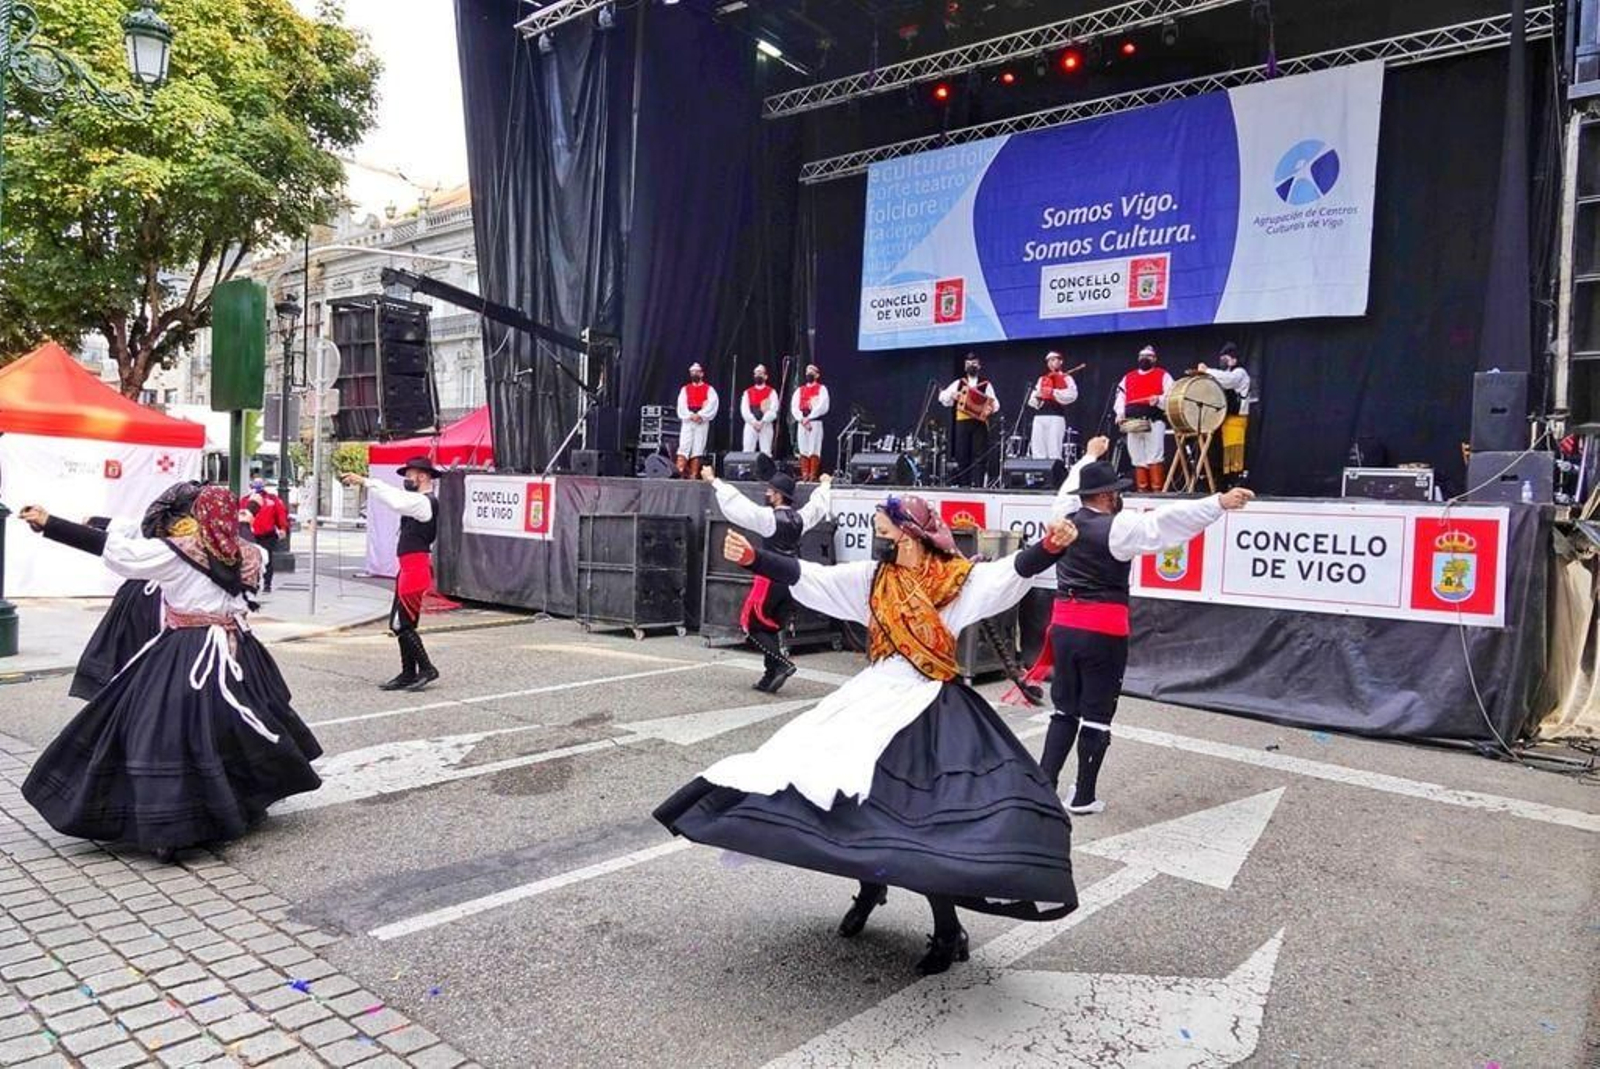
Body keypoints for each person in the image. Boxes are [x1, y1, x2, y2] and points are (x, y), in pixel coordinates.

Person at [656, 495, 1080, 976]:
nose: (877, 529)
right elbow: (809, 577)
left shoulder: (956, 581)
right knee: (841, 794)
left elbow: (1009, 574)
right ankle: (870, 888)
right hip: (874, 697)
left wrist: (1049, 547)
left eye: (884, 523)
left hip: (929, 705)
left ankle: (947, 930)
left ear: (906, 531)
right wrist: (757, 559)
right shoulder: (873, 580)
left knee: (923, 822)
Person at [17, 487, 321, 862]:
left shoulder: (179, 553)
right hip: (237, 649)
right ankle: (241, 802)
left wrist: (52, 524)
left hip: (187, 651)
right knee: (231, 728)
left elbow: (122, 552)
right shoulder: (254, 554)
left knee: (161, 732)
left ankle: (171, 827)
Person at [1035, 436, 1252, 815]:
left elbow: (1069, 487)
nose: (1120, 497)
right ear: (1105, 497)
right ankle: (1083, 796)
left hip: (1064, 628)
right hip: (1102, 630)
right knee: (1097, 715)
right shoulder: (1120, 528)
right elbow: (1167, 523)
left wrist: (1089, 455)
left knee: (1064, 708)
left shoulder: (1063, 517)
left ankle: (1043, 788)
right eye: (1116, 492)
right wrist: (1217, 502)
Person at [22, 481, 203, 700]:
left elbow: (118, 540)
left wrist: (51, 523)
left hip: (177, 621)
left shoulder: (194, 542)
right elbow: (118, 538)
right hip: (150, 610)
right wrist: (53, 524)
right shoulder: (170, 542)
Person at [702, 464, 834, 694]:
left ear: (778, 495)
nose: (767, 494)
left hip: (770, 578)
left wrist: (714, 481)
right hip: (792, 578)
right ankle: (770, 674)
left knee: (752, 624)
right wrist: (825, 484)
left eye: (770, 491)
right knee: (771, 625)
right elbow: (818, 505)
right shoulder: (801, 519)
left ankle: (781, 663)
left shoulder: (769, 519)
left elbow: (740, 506)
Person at [341, 457, 443, 692]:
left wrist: (366, 482)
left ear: (424, 476)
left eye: (411, 474)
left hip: (415, 569)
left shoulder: (424, 503)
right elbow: (398, 499)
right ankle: (408, 672)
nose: (407, 479)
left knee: (402, 624)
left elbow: (396, 502)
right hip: (408, 568)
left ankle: (426, 668)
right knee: (400, 623)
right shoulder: (418, 501)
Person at [1114, 345, 1173, 493]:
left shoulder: (1163, 375)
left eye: (1148, 356)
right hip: (1133, 422)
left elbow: (1171, 395)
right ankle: (1142, 490)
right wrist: (1120, 413)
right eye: (1142, 356)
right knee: (1137, 457)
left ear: (1155, 359)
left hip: (1153, 420)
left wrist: (1158, 400)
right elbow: (1120, 397)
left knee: (1154, 455)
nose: (1145, 359)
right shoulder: (1128, 377)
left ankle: (1157, 491)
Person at [938, 354, 999, 487]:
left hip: (980, 423)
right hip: (962, 422)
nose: (971, 366)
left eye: (974, 363)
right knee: (962, 454)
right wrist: (952, 395)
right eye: (969, 363)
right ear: (965, 366)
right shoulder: (959, 383)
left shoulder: (986, 384)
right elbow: (943, 397)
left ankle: (978, 484)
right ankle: (964, 484)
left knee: (980, 454)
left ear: (979, 366)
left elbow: (996, 404)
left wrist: (990, 408)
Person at [1198, 342, 1252, 487]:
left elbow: (1229, 381)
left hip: (1236, 418)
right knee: (1220, 453)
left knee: (1233, 451)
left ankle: (1234, 481)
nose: (1223, 360)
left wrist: (1207, 370)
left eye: (1226, 358)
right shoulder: (1222, 375)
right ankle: (1220, 482)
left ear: (1234, 359)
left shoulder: (1240, 373)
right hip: (1222, 419)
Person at [1026, 351, 1078, 461]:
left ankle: (1054, 476)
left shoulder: (1066, 378)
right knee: (1038, 448)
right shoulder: (1042, 379)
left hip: (1056, 416)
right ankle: (1039, 475)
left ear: (1061, 361)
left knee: (1054, 448)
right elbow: (1032, 400)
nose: (1051, 363)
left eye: (1054, 359)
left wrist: (1053, 392)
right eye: (1049, 361)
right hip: (1040, 416)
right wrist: (1038, 396)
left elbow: (1072, 395)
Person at [241, 479, 290, 593]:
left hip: (267, 535)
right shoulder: (245, 500)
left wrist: (282, 528)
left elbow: (280, 514)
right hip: (251, 534)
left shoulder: (272, 500)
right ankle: (255, 582)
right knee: (253, 560)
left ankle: (267, 584)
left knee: (267, 560)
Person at [676, 363, 720, 479]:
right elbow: (681, 405)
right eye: (692, 372)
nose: (694, 374)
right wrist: (690, 415)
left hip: (701, 421)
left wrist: (700, 415)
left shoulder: (709, 390)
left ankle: (694, 473)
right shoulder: (685, 389)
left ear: (702, 373)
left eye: (696, 372)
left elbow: (712, 404)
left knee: (698, 446)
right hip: (688, 420)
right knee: (684, 444)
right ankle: (680, 471)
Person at [792, 364, 830, 483]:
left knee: (814, 448)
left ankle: (813, 474)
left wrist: (810, 417)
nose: (809, 373)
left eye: (812, 371)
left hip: (815, 422)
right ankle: (804, 474)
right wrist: (802, 419)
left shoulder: (821, 389)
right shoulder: (800, 390)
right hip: (802, 422)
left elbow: (822, 406)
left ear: (817, 375)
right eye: (807, 371)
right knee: (803, 448)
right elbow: (794, 407)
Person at [740, 365, 780, 457]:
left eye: (760, 373)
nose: (758, 375)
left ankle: (766, 471)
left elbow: (773, 410)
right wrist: (753, 422)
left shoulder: (771, 392)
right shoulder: (747, 392)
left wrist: (762, 422)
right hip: (751, 424)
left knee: (766, 451)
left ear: (765, 376)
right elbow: (744, 410)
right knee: (747, 450)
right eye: (756, 373)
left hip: (765, 424)